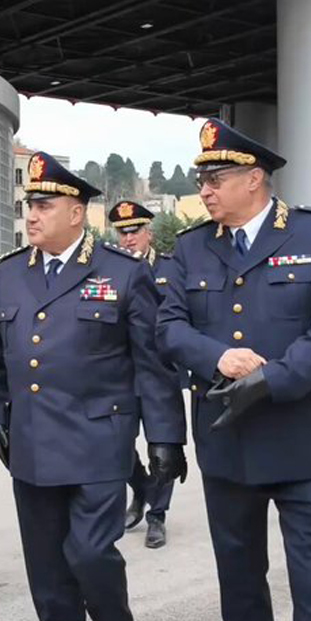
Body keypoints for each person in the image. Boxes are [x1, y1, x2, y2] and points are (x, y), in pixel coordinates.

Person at [157, 119, 311, 621]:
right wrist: (219, 357)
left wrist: (273, 378)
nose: (205, 190)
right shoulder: (192, 247)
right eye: (202, 179)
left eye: (217, 177)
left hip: (310, 446)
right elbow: (168, 327)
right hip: (231, 446)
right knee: (241, 591)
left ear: (255, 178)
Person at [0, 153, 186, 621]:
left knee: (92, 558)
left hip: (99, 441)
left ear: (77, 212)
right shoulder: (10, 272)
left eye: (44, 205)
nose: (33, 216)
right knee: (47, 576)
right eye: (29, 206)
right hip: (31, 447)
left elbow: (152, 363)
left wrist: (165, 437)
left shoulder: (122, 271)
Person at [107, 200, 183, 550]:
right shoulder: (110, 269)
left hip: (159, 372)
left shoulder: (170, 267)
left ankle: (157, 516)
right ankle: (140, 488)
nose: (128, 238)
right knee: (116, 446)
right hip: (120, 374)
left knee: (162, 444)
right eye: (122, 233)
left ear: (148, 232)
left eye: (134, 231)